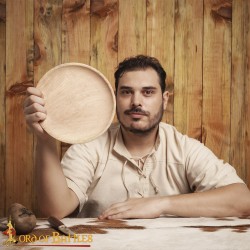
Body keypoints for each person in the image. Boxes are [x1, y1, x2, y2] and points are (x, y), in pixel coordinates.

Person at [23, 55, 250, 219]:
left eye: (148, 92)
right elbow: (55, 210)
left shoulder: (183, 148)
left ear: (165, 99)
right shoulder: (90, 146)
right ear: (114, 98)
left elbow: (242, 200)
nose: (136, 102)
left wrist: (160, 204)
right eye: (126, 92)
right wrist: (45, 139)